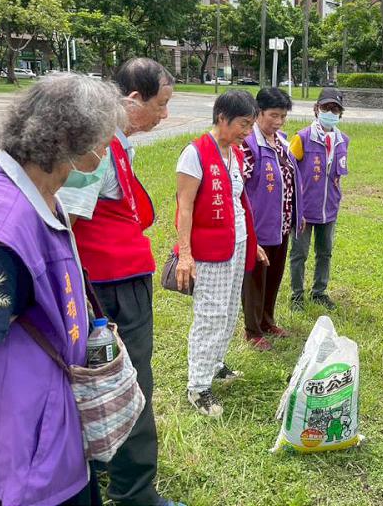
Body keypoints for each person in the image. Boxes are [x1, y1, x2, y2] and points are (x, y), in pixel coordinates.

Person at [0, 73, 123, 506]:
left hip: (47, 410)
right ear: (70, 144)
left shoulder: (23, 184)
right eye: (103, 141)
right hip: (30, 428)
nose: (107, 151)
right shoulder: (4, 234)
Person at [56, 59, 183, 506]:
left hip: (119, 277)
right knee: (128, 381)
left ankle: (109, 468)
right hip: (109, 286)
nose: (165, 115)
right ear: (132, 102)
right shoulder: (95, 150)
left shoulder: (118, 144)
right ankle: (134, 492)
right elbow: (64, 224)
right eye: (161, 105)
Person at [174, 91, 268, 417]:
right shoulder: (195, 153)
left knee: (228, 311)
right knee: (210, 316)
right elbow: (184, 208)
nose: (247, 132)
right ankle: (198, 387)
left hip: (237, 244)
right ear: (222, 118)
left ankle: (215, 364)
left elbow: (238, 202)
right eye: (243, 124)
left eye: (250, 125)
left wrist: (252, 242)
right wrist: (185, 255)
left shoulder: (235, 153)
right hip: (210, 252)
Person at [241, 87, 303, 351]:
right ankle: (252, 329)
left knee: (275, 275)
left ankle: (267, 320)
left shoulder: (282, 141)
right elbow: (240, 188)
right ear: (258, 113)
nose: (278, 122)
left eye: (283, 116)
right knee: (256, 278)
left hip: (282, 221)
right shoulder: (248, 145)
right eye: (273, 115)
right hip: (259, 225)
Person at [288, 88, 350, 311]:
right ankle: (296, 295)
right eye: (326, 108)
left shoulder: (343, 140)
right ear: (316, 109)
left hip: (329, 209)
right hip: (304, 210)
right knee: (299, 254)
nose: (330, 113)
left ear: (340, 114)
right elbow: (289, 171)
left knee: (325, 253)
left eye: (335, 110)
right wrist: (295, 208)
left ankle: (319, 292)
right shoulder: (302, 138)